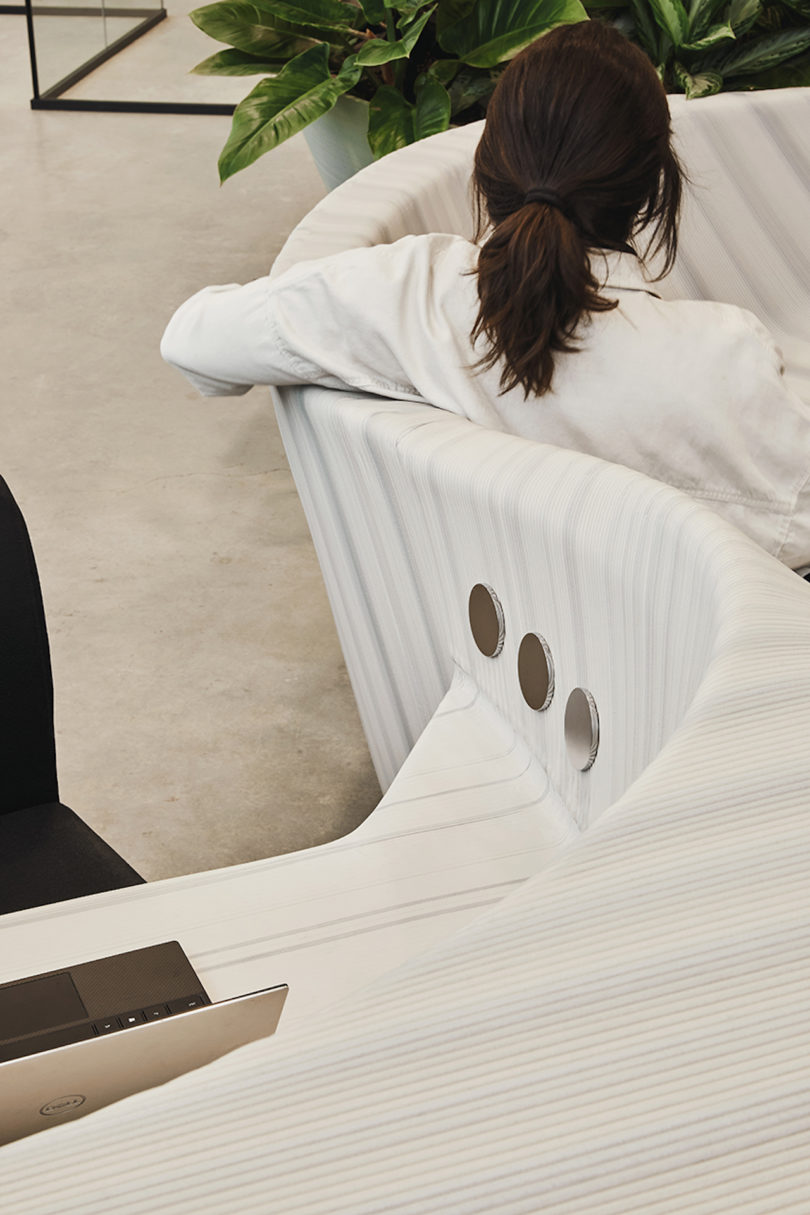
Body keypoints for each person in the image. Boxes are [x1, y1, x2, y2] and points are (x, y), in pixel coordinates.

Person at [161, 20, 810, 569]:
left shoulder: (410, 295)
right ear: (654, 188)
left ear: (486, 162)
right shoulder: (723, 361)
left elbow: (193, 339)